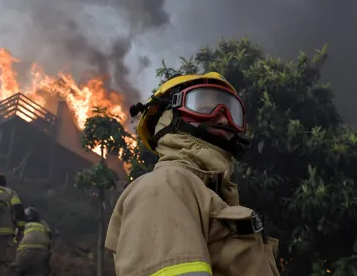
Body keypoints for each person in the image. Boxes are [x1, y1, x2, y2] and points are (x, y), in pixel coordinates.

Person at [105, 72, 280, 276]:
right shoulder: (163, 187)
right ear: (169, 116)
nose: (223, 118)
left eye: (231, 111)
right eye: (205, 106)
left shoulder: (212, 196)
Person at [13, 207, 52, 276]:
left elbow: (14, 240)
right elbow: (50, 236)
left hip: (24, 251)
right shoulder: (43, 225)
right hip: (41, 252)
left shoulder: (21, 225)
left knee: (15, 271)